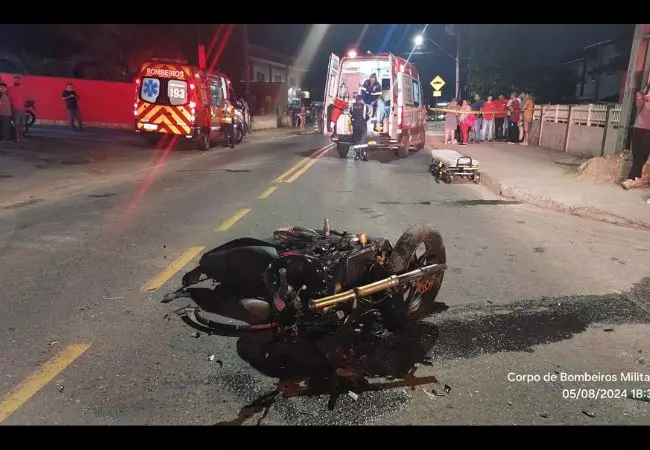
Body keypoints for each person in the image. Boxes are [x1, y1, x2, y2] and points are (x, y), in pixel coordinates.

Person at [622, 88, 650, 190]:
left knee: (643, 152)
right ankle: (637, 178)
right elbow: (640, 106)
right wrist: (639, 99)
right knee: (635, 151)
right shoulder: (647, 88)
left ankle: (632, 178)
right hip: (640, 123)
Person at [7, 75, 28, 143]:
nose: (16, 81)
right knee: (16, 124)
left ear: (20, 80)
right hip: (15, 108)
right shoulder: (10, 88)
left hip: (22, 108)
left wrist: (24, 108)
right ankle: (18, 138)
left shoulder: (23, 88)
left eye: (18, 79)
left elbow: (25, 99)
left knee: (21, 124)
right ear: (13, 80)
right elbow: (9, 99)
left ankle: (21, 138)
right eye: (15, 79)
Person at [350, 95, 370, 161]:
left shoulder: (352, 106)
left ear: (356, 99)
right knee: (363, 140)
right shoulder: (365, 106)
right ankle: (363, 155)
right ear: (361, 100)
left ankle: (357, 155)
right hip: (362, 125)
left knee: (356, 140)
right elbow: (367, 116)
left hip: (355, 125)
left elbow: (350, 114)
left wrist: (353, 120)